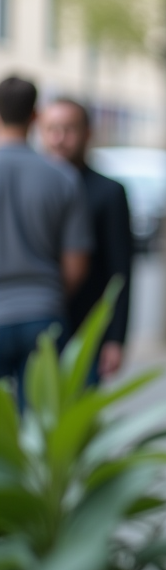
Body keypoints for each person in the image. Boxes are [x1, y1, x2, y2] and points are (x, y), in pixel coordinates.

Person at [0, 76, 92, 391]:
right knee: (39, 429)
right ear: (35, 116)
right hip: (43, 312)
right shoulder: (62, 177)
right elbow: (76, 266)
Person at [40, 97, 133, 384]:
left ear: (87, 133)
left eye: (69, 129)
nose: (59, 138)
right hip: (35, 328)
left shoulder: (109, 192)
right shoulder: (30, 186)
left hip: (86, 331)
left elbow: (121, 271)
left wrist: (116, 338)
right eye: (52, 129)